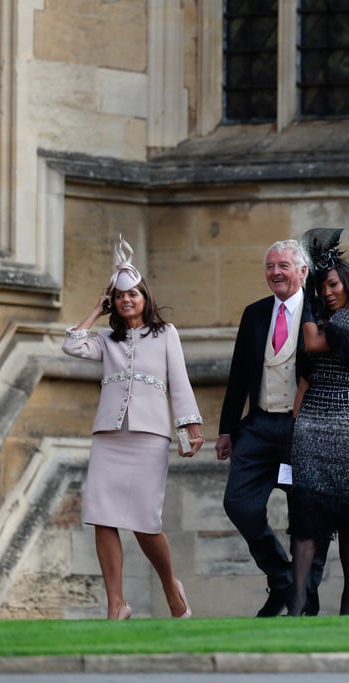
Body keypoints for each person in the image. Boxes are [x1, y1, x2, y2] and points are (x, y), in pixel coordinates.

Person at [62, 235, 201, 620]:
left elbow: (181, 382)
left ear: (145, 297)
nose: (126, 301)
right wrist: (95, 308)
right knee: (102, 515)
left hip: (150, 436)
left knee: (145, 520)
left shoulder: (166, 333)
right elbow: (72, 345)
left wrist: (189, 425)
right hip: (110, 436)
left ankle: (171, 587)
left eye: (133, 295)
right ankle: (116, 603)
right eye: (119, 297)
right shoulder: (106, 339)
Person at [287, 229, 349, 616]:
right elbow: (306, 375)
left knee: (346, 510)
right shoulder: (323, 319)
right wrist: (296, 425)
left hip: (346, 421)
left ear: (348, 283)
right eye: (321, 286)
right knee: (306, 511)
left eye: (332, 284)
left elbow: (314, 343)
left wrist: (310, 301)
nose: (327, 292)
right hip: (310, 422)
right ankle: (296, 602)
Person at [217, 239, 308, 618]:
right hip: (258, 425)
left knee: (304, 516)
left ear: (302, 271)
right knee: (238, 503)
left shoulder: (318, 312)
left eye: (283, 266)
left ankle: (304, 596)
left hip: (300, 428)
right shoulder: (255, 313)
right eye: (270, 266)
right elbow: (238, 374)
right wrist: (225, 429)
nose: (275, 273)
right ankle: (280, 574)